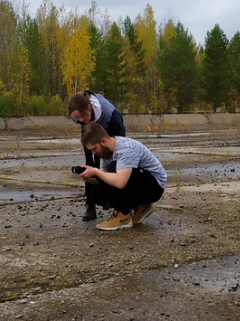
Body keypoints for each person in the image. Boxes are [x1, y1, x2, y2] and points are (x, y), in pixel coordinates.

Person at [74, 121, 167, 231]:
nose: (93, 153)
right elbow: (104, 181)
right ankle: (142, 207)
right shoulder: (105, 152)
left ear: (103, 141)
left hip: (154, 188)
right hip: (137, 183)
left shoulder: (126, 149)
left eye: (94, 149)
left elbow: (120, 182)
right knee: (96, 194)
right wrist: (89, 178)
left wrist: (96, 171)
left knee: (115, 168)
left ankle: (122, 216)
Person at [69, 91, 126, 221]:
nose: (81, 120)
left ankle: (118, 205)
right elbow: (83, 121)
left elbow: (121, 141)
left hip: (110, 132)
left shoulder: (110, 114)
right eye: (78, 119)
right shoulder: (77, 115)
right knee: (89, 166)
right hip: (90, 135)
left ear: (89, 107)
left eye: (82, 116)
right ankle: (90, 207)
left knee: (111, 166)